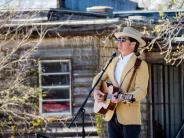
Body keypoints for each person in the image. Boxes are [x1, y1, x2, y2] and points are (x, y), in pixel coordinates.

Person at [92, 26, 149, 138]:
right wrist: (96, 91)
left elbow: (141, 91)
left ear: (133, 44)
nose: (119, 42)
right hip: (111, 114)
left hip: (130, 119)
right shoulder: (112, 61)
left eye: (123, 40)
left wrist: (122, 97)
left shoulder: (141, 65)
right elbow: (98, 78)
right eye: (118, 39)